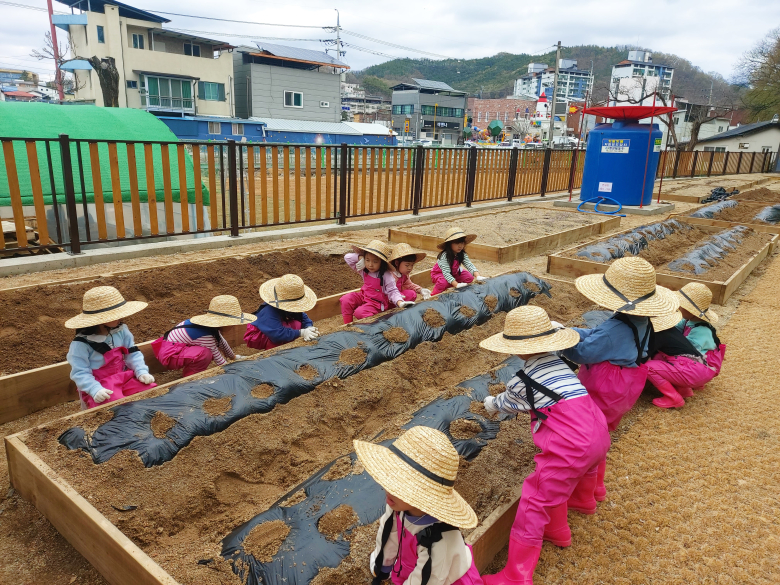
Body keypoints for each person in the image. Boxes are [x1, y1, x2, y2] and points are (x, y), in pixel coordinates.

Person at [479, 306, 610, 585]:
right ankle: (571, 517)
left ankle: (516, 575)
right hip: (597, 431)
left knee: (536, 497)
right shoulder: (561, 364)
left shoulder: (522, 381)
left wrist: (491, 404)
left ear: (517, 349)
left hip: (573, 444)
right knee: (570, 477)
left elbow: (507, 404)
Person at [560, 257, 678, 511]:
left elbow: (584, 353)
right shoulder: (640, 320)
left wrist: (562, 342)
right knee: (602, 434)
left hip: (604, 386)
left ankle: (582, 497)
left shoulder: (616, 327)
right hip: (627, 385)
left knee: (587, 435)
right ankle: (597, 488)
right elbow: (597, 335)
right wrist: (572, 330)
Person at [354, 426, 484, 585]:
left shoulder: (440, 540)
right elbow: (388, 534)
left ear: (424, 494)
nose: (388, 489)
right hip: (415, 566)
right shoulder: (397, 505)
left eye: (399, 485)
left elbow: (430, 579)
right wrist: (383, 568)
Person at [65, 286, 156, 409]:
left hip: (123, 377)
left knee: (150, 391)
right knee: (114, 406)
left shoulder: (122, 330)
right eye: (114, 314)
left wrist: (141, 371)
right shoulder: (80, 344)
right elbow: (80, 372)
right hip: (100, 384)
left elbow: (132, 353)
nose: (119, 317)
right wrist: (94, 389)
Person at [646, 283, 726, 409]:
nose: (679, 308)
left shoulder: (702, 331)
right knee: (669, 360)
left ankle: (673, 398)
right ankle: (684, 389)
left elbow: (688, 351)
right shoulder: (690, 321)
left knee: (652, 365)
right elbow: (675, 327)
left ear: (691, 310)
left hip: (702, 367)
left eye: (681, 306)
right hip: (696, 366)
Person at [152, 295, 254, 377]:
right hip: (170, 354)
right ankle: (191, 378)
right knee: (205, 354)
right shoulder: (207, 337)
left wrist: (234, 357)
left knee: (206, 351)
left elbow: (221, 341)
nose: (233, 326)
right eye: (232, 323)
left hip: (178, 348)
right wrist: (230, 371)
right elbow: (217, 356)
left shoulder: (211, 328)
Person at [340, 240, 414, 324]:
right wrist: (360, 258)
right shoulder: (363, 269)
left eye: (375, 261)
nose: (370, 265)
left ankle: (377, 326)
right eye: (368, 260)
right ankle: (347, 326)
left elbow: (393, 291)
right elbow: (347, 257)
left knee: (359, 312)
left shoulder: (386, 275)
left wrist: (400, 303)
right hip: (364, 295)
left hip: (377, 302)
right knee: (346, 299)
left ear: (381, 263)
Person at [244, 274, 319, 350]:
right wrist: (301, 333)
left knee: (297, 324)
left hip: (275, 327)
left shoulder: (291, 307)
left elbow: (303, 317)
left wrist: (309, 327)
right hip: (259, 334)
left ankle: (287, 343)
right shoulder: (268, 311)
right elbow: (277, 334)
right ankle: (274, 353)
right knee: (279, 337)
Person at [431, 227, 486, 295]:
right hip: (440, 273)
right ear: (449, 244)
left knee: (469, 277)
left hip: (454, 272)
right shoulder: (445, 256)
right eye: (457, 243)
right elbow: (446, 273)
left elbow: (469, 264)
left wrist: (478, 276)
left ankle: (454, 288)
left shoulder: (461, 253)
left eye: (462, 243)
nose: (460, 246)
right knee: (443, 282)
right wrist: (456, 284)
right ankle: (434, 295)